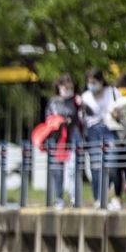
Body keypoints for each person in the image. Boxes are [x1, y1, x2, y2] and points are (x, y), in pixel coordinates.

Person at [80, 69, 121, 207]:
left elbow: (123, 109)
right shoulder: (85, 96)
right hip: (93, 131)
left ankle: (115, 196)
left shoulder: (112, 92)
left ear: (101, 81)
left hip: (110, 128)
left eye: (94, 82)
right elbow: (83, 118)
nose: (91, 85)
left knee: (112, 164)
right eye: (89, 82)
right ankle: (98, 198)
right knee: (96, 166)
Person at [44, 74, 82, 208]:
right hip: (57, 139)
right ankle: (59, 198)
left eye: (70, 87)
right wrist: (59, 121)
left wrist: (80, 106)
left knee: (73, 169)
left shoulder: (76, 101)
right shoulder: (53, 101)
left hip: (73, 138)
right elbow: (48, 118)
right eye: (65, 86)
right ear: (59, 86)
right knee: (57, 170)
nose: (67, 89)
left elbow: (82, 119)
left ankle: (73, 198)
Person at [104, 72, 126, 211]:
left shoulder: (119, 96)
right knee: (125, 167)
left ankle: (119, 197)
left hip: (121, 135)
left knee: (117, 168)